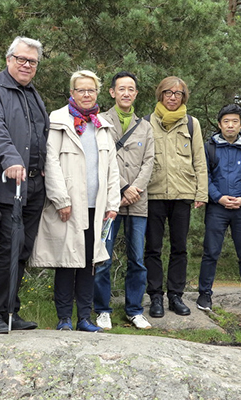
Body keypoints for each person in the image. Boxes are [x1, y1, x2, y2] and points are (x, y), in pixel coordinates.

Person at [29, 70, 120, 332]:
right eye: (81, 90)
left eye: (91, 90)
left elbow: (112, 168)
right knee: (67, 262)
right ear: (72, 92)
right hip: (69, 206)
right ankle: (64, 319)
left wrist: (113, 204)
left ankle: (84, 318)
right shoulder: (59, 121)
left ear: (97, 93)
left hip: (97, 207)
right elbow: (51, 162)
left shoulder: (103, 125)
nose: (86, 94)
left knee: (90, 263)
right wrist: (60, 199)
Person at [0, 36, 49, 334]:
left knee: (22, 249)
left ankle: (11, 311)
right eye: (21, 59)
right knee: (8, 245)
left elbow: (42, 135)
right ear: (8, 59)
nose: (26, 65)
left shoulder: (33, 94)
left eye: (32, 61)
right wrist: (10, 159)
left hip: (35, 185)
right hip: (9, 183)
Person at [93, 71, 154, 330]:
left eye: (131, 89)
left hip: (138, 203)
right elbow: (99, 159)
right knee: (102, 257)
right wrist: (123, 188)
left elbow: (150, 162)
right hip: (109, 201)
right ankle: (102, 309)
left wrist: (135, 189)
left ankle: (134, 309)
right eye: (122, 89)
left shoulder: (145, 126)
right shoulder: (100, 121)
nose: (126, 93)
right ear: (112, 92)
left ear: (136, 93)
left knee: (137, 259)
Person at [144, 76, 208, 318]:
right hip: (153, 194)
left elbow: (199, 160)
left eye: (178, 93)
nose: (173, 97)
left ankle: (175, 296)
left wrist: (201, 192)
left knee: (179, 248)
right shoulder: (146, 123)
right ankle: (155, 297)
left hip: (183, 194)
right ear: (160, 95)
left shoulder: (192, 124)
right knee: (153, 248)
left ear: (184, 97)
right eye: (168, 92)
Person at [197, 104, 241, 316]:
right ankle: (204, 295)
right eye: (226, 121)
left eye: (235, 121)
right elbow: (203, 175)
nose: (230, 125)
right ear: (219, 124)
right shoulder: (209, 147)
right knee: (211, 253)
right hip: (217, 208)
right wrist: (218, 197)